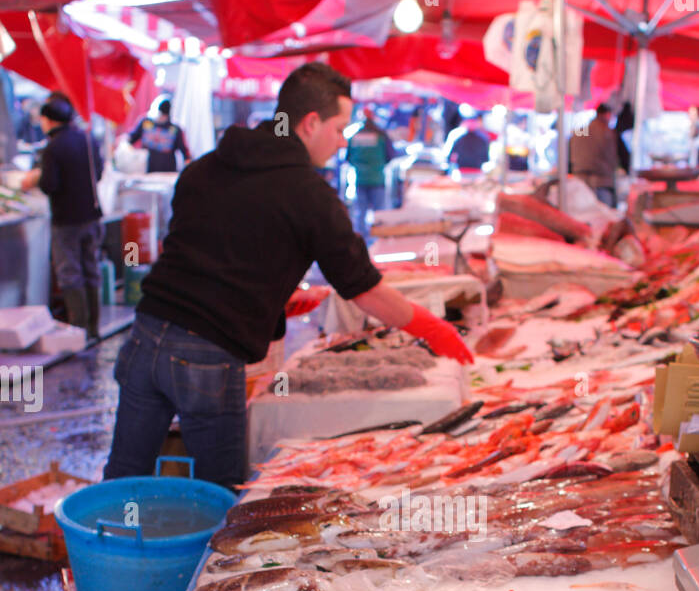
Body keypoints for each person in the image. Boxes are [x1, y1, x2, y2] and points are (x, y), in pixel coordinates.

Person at [103, 63, 472, 489]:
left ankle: (103, 550)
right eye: (339, 129)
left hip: (146, 333)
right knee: (219, 491)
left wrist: (272, 298)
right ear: (311, 123)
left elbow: (206, 251)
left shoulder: (205, 167)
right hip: (206, 354)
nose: (341, 142)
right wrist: (432, 328)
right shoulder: (308, 193)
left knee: (121, 478)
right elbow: (363, 290)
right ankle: (195, 554)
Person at [19, 93, 103, 342]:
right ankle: (93, 329)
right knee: (91, 269)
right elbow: (97, 172)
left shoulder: (53, 147)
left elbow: (49, 184)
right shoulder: (87, 139)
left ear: (49, 120)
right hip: (92, 214)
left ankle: (78, 330)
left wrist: (35, 178)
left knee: (70, 272)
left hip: (66, 219)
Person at [345, 108, 395, 235]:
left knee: (360, 214)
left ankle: (362, 242)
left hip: (360, 180)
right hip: (377, 180)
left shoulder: (354, 136)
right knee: (378, 214)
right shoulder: (381, 135)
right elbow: (390, 156)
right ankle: (377, 240)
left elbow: (348, 158)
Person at [569, 103, 618, 207]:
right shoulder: (607, 131)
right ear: (607, 114)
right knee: (604, 219)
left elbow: (570, 151)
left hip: (580, 182)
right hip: (601, 183)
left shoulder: (581, 131)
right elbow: (612, 158)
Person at [129, 98, 190, 174]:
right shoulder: (145, 122)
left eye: (164, 116)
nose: (161, 118)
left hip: (167, 172)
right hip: (146, 170)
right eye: (160, 114)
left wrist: (188, 165)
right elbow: (131, 139)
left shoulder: (175, 129)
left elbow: (184, 150)